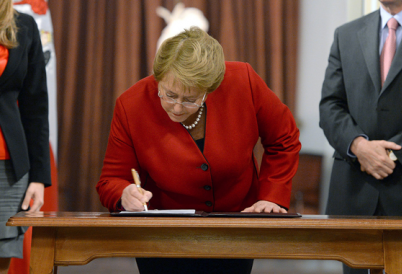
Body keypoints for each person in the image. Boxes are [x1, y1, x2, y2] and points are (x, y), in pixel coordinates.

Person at [97, 26, 301, 274]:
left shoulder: (243, 81)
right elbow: (111, 180)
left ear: (210, 89)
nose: (178, 108)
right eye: (169, 94)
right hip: (162, 237)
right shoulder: (131, 105)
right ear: (158, 78)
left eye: (191, 98)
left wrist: (271, 197)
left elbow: (284, 138)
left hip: (235, 227)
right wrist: (124, 193)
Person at [319, 1, 402, 273]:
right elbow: (330, 106)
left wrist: (387, 155)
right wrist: (358, 146)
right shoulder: (346, 34)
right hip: (354, 187)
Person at [0, 0, 50, 273]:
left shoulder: (25, 25)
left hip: (7, 168)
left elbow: (36, 107)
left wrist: (38, 177)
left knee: (1, 256)